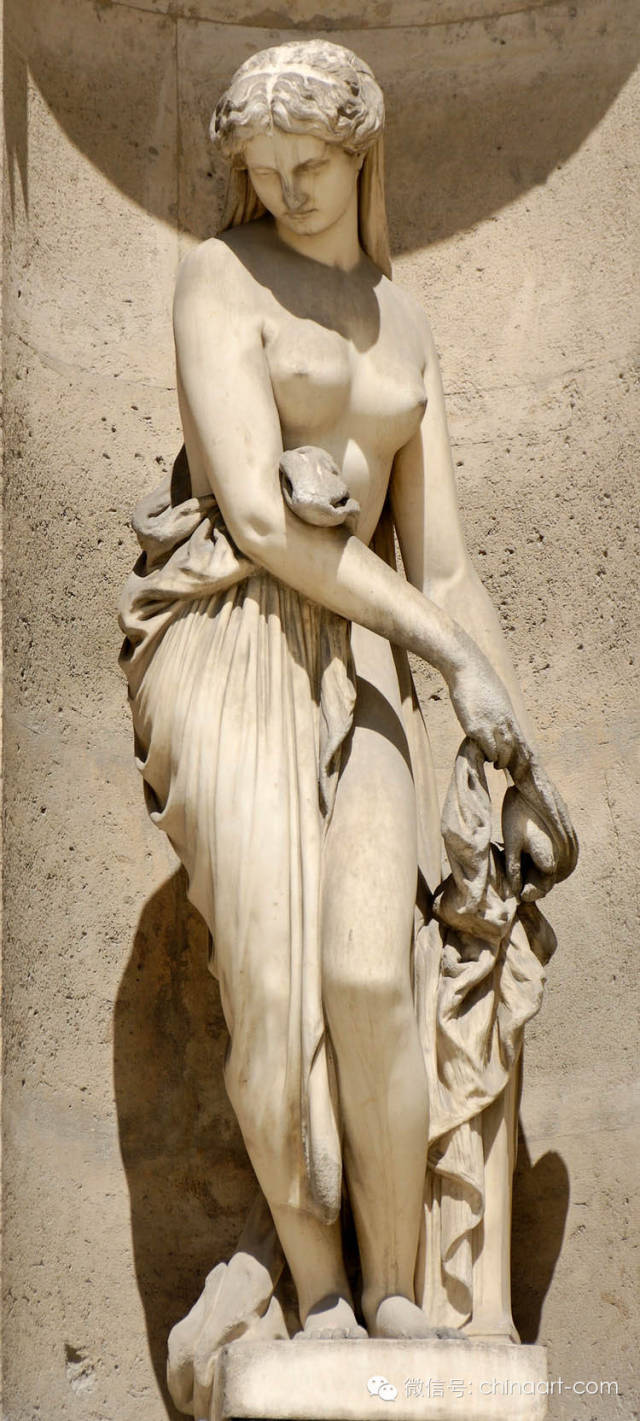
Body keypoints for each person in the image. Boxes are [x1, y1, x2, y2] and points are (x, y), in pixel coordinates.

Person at [119, 39, 576, 1354]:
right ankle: (316, 1292)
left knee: (374, 972)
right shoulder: (219, 276)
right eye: (264, 168)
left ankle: (396, 1287)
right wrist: (451, 657)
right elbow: (262, 519)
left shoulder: (404, 320)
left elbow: (446, 564)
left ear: (361, 153)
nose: (286, 189)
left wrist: (508, 743)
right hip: (233, 639)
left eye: (310, 163)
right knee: (271, 990)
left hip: (368, 648)